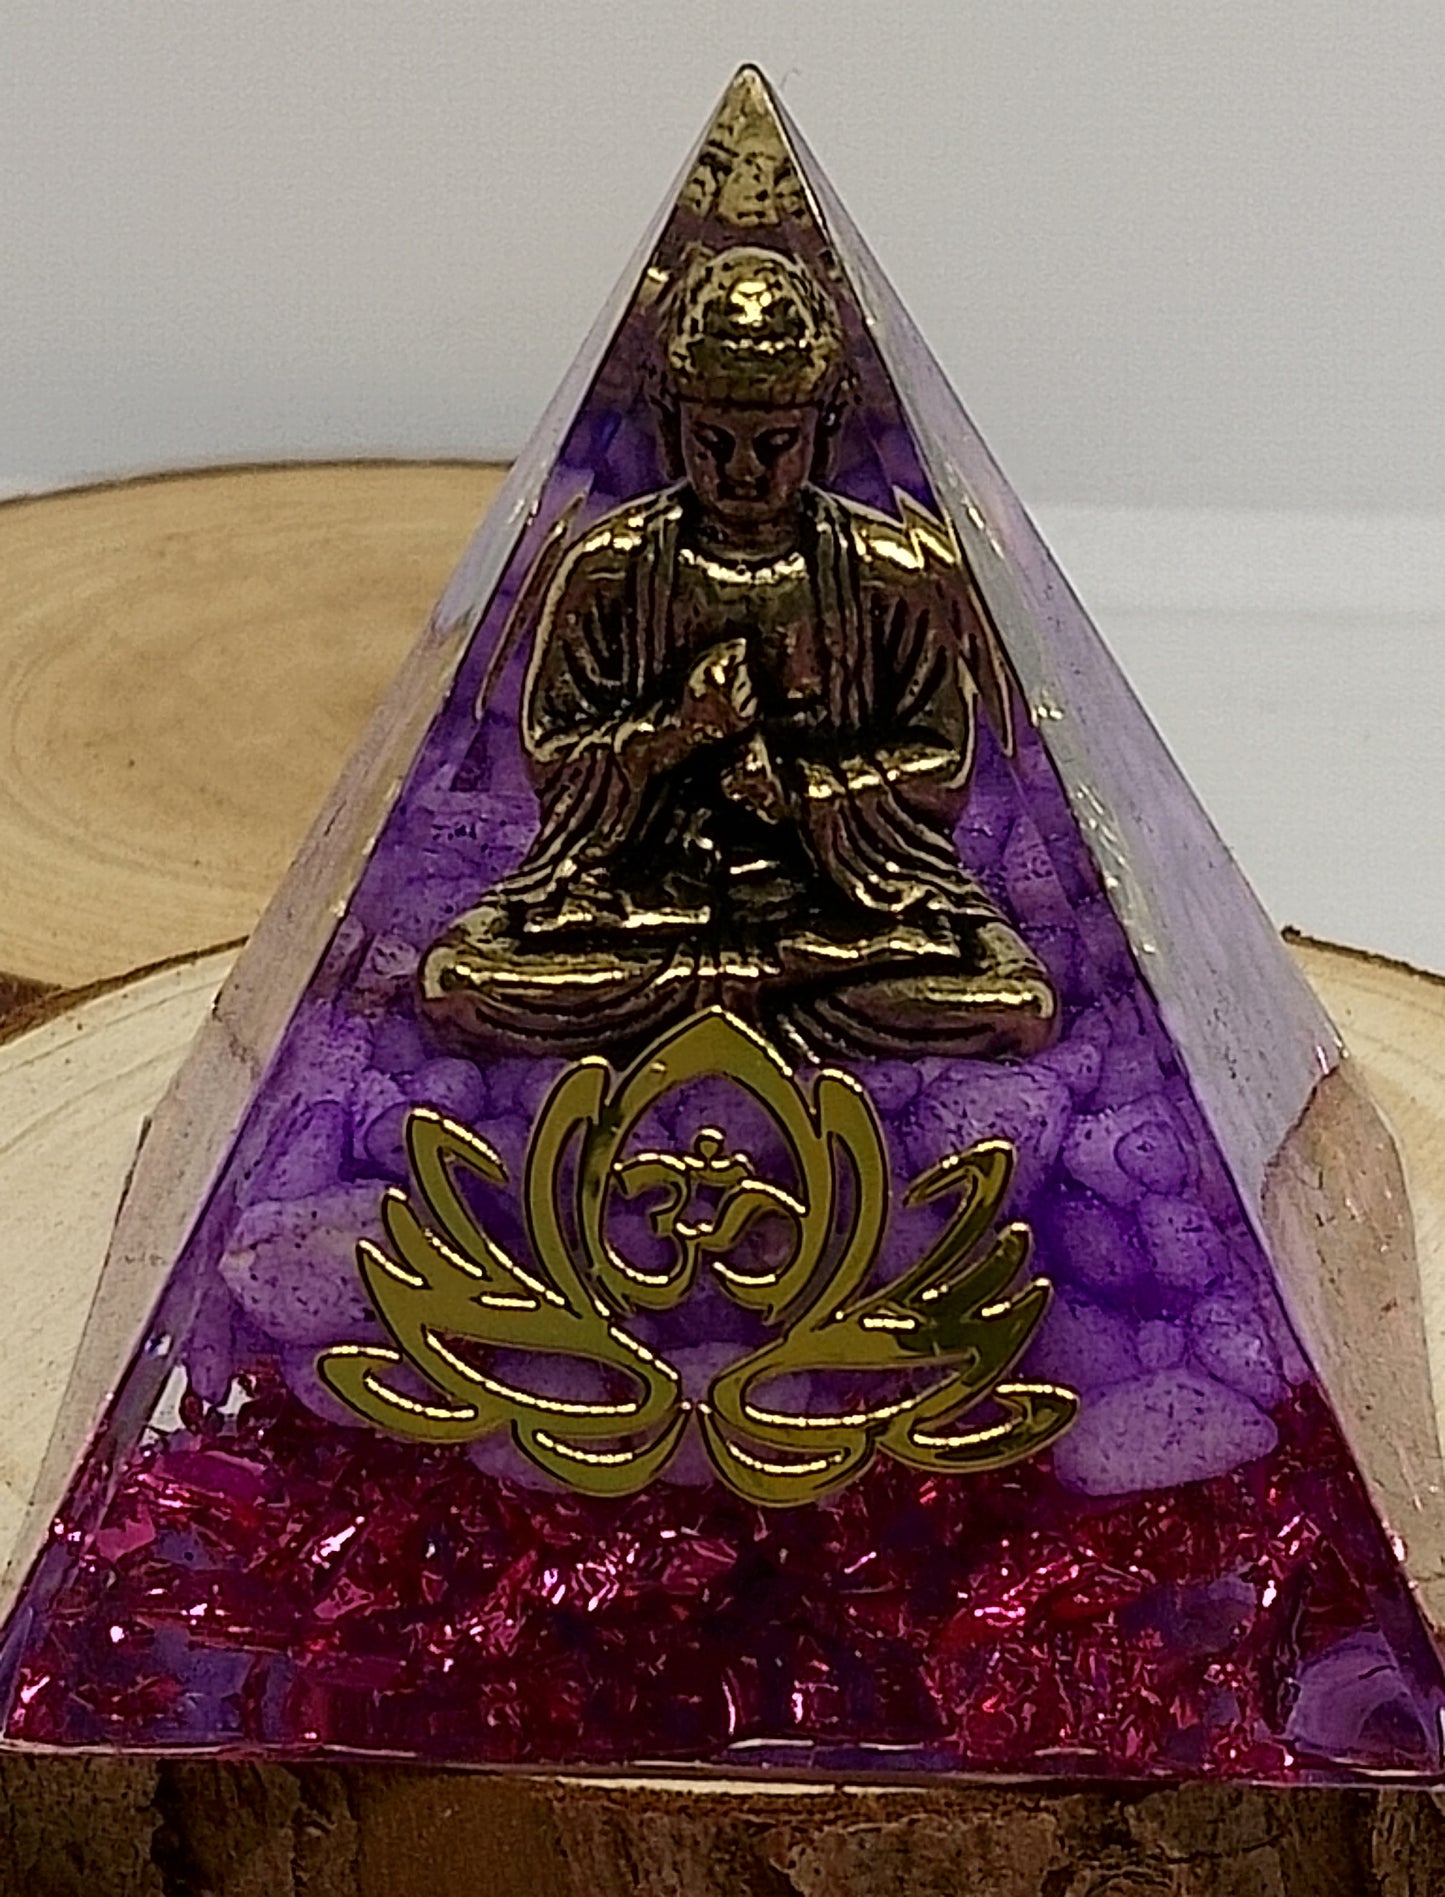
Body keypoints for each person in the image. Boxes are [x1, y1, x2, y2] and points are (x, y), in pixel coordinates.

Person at [421, 246, 1057, 1064]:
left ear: (826, 426)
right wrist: (674, 733)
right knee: (458, 985)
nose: (743, 471)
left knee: (1015, 1004)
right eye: (714, 441)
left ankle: (747, 990)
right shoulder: (611, 565)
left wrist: (797, 791)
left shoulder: (886, 571)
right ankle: (759, 994)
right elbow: (551, 756)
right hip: (643, 905)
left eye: (775, 441)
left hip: (840, 909)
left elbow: (941, 763)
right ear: (669, 423)